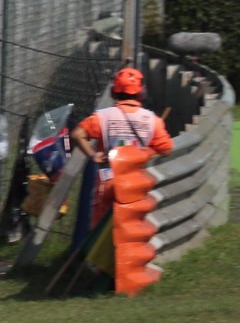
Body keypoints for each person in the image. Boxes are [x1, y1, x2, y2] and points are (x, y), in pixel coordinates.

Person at [71, 67, 174, 226]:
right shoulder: (152, 120)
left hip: (107, 178)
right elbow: (167, 149)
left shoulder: (102, 117)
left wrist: (93, 155)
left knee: (99, 227)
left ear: (114, 92)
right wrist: (146, 152)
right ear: (141, 93)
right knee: (132, 226)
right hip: (134, 182)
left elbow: (77, 134)